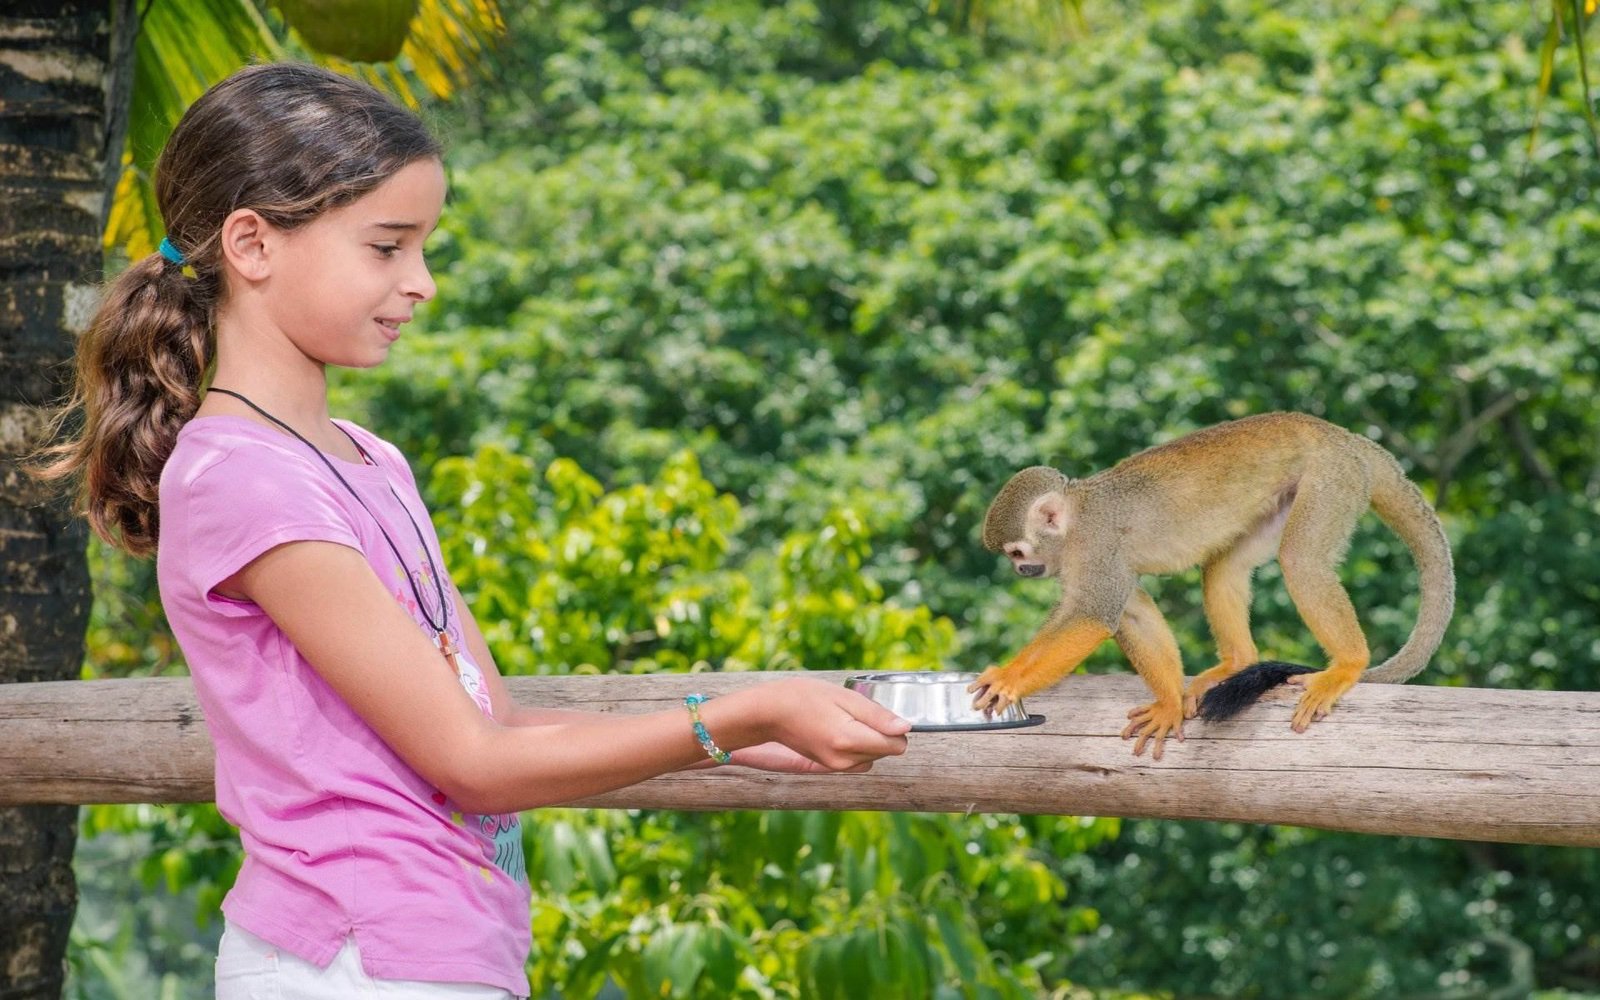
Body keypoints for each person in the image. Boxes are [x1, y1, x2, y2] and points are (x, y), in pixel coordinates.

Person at [34, 62, 909, 999]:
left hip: (432, 959)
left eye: (424, 246)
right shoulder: (242, 480)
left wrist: (757, 739)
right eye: (386, 247)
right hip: (352, 963)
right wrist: (741, 712)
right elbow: (477, 768)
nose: (423, 283)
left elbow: (493, 724)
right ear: (252, 243)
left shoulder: (369, 458)